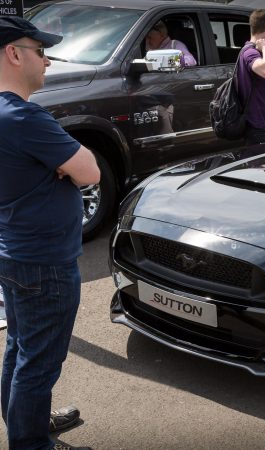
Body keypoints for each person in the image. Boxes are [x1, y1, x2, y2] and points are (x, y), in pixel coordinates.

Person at [0, 16, 100, 450]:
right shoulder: (22, 116)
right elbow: (90, 171)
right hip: (44, 261)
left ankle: (26, 421)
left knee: (20, 348)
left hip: (15, 249)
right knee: (39, 362)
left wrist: (62, 168)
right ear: (13, 52)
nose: (48, 60)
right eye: (40, 50)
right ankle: (30, 441)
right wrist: (64, 167)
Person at [237, 9, 265, 146]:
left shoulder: (254, 52)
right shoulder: (250, 52)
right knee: (264, 166)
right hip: (258, 125)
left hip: (262, 123)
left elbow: (264, 74)